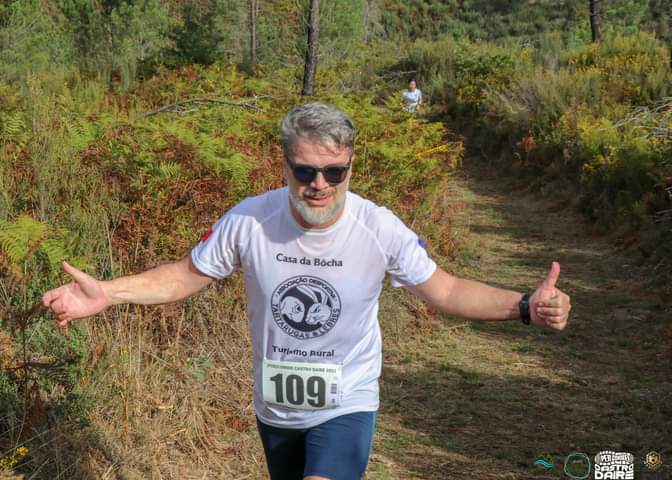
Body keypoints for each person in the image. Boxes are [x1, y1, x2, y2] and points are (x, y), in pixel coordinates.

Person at [42, 102, 572, 480]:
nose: (319, 184)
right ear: (286, 166)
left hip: (347, 401)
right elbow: (185, 275)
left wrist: (524, 306)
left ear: (350, 167)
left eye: (333, 171)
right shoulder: (251, 220)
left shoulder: (378, 228)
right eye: (305, 170)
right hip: (276, 408)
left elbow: (446, 290)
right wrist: (108, 293)